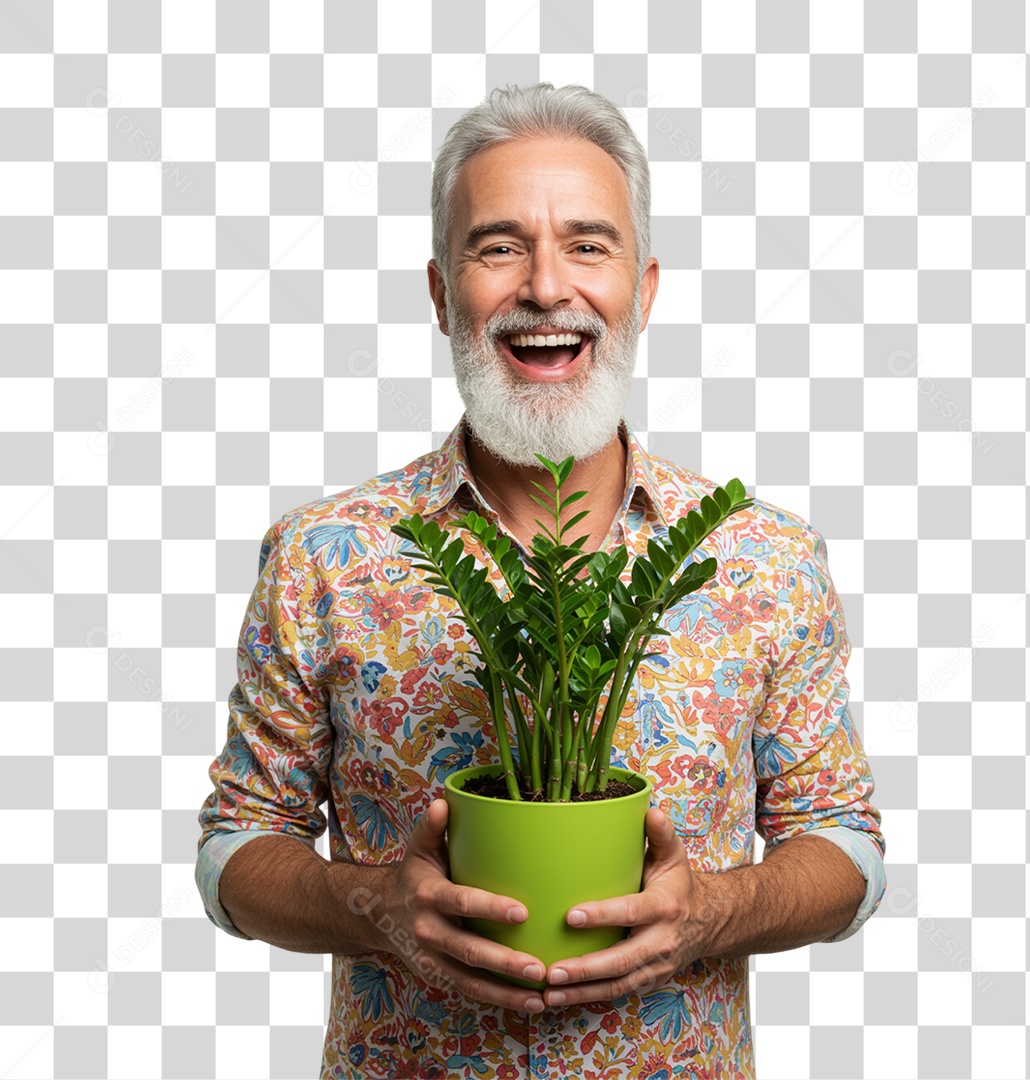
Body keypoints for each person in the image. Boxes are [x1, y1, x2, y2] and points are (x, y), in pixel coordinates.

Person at [196, 82, 886, 1078]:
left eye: (588, 245)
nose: (547, 287)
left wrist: (714, 911)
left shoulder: (763, 558)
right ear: (442, 294)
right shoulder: (323, 555)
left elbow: (848, 850)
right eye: (499, 245)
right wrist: (378, 906)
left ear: (643, 292)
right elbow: (233, 850)